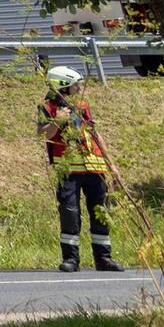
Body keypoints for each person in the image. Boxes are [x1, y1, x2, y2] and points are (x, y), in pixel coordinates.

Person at [38, 66, 122, 273]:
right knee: (70, 214)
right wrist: (58, 120)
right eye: (76, 85)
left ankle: (103, 258)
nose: (79, 88)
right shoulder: (47, 107)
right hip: (68, 170)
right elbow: (43, 133)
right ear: (63, 85)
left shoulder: (82, 104)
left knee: (100, 212)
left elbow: (94, 133)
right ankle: (71, 259)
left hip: (94, 167)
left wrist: (111, 164)